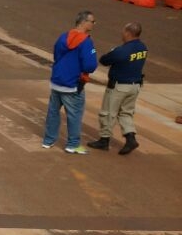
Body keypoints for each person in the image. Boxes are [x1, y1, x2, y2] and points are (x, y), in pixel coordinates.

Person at [42, 10, 98, 155]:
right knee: (74, 115)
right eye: (92, 21)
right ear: (84, 22)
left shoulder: (63, 37)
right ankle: (72, 144)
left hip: (57, 81)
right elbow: (90, 66)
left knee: (53, 113)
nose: (93, 24)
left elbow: (56, 55)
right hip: (73, 85)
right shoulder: (86, 41)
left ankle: (48, 140)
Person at [90, 22, 147, 155]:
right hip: (135, 86)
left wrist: (112, 52)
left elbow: (104, 60)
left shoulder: (122, 51)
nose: (122, 33)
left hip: (119, 86)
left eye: (123, 31)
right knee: (126, 113)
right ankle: (130, 138)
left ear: (128, 33)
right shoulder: (143, 47)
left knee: (108, 113)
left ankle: (104, 140)